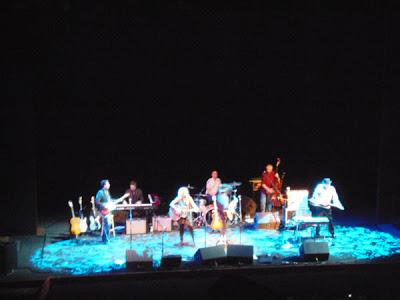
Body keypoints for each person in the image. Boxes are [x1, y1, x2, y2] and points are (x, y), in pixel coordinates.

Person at [95, 179, 129, 244]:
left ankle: (106, 239)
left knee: (108, 225)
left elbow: (111, 201)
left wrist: (122, 198)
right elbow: (97, 202)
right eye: (108, 183)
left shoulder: (107, 192)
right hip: (103, 210)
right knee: (106, 225)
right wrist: (104, 207)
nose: (109, 185)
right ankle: (105, 240)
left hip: (108, 210)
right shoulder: (100, 192)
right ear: (104, 185)